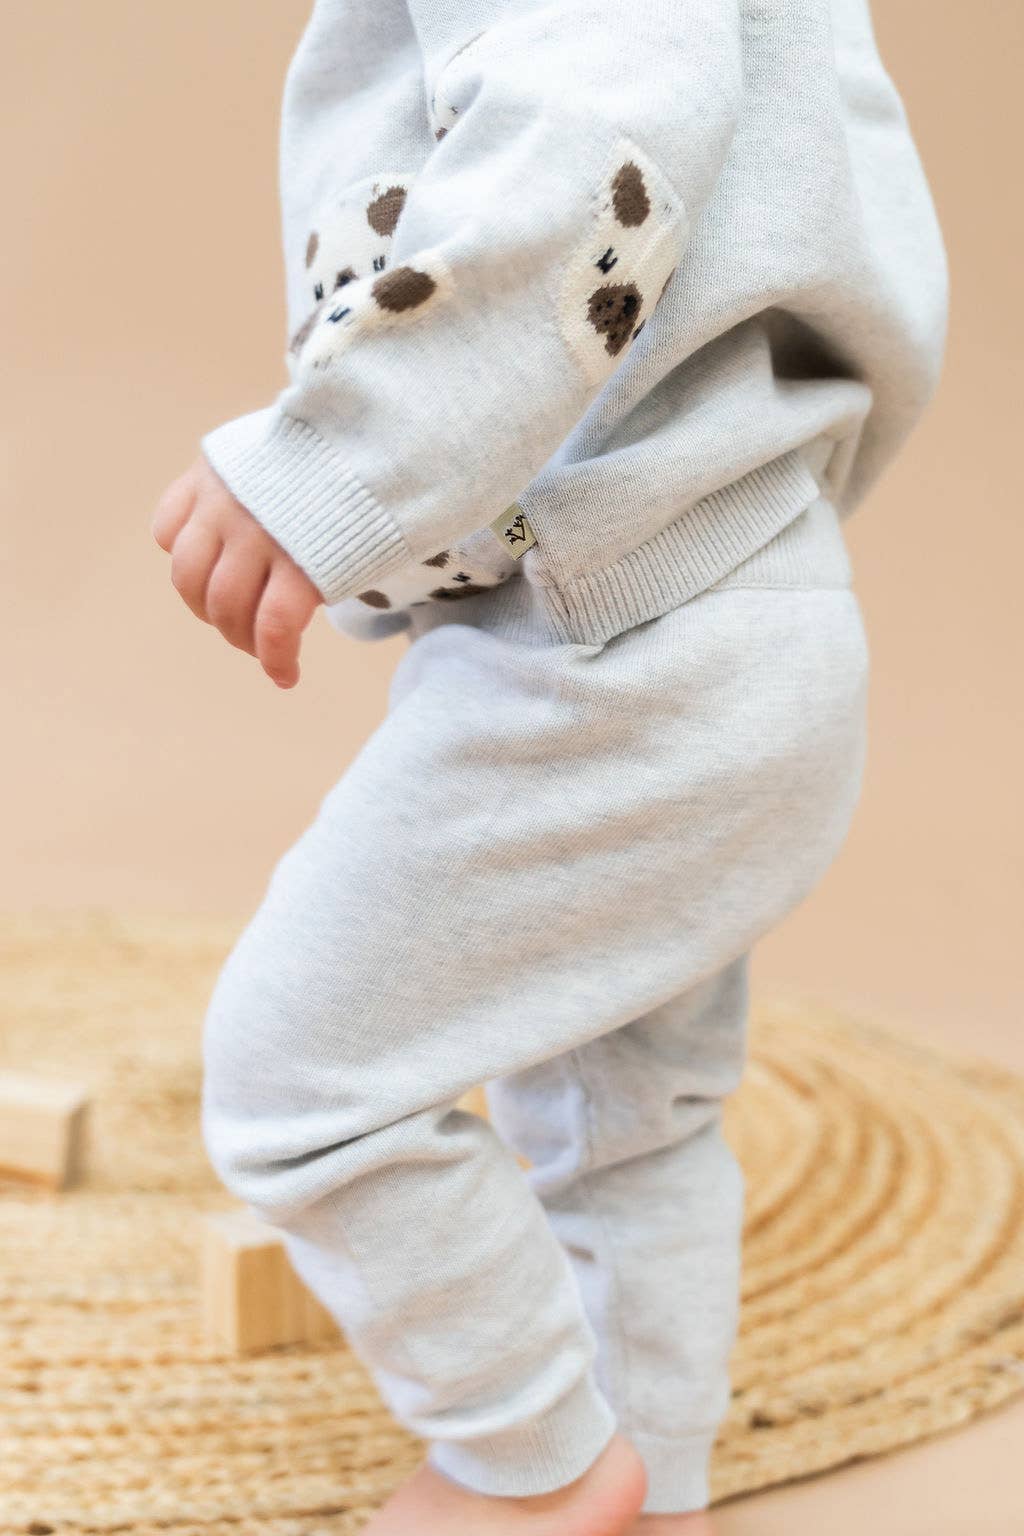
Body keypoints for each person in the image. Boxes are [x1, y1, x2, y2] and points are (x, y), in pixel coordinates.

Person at [151, 0, 948, 1530]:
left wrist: (340, 455)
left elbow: (593, 144)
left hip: (619, 631)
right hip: (749, 595)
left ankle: (536, 1474)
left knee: (297, 1079)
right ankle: (650, 1476)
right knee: (623, 1114)